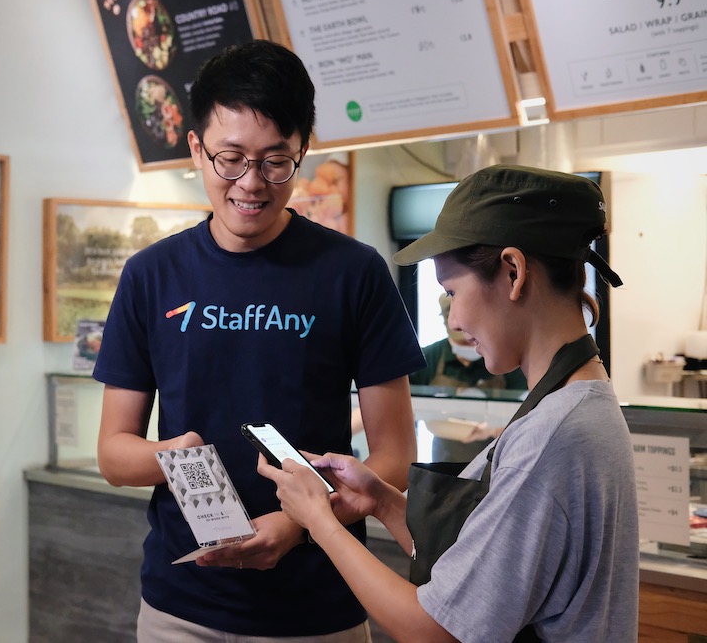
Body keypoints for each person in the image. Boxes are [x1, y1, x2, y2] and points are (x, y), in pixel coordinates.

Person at [93, 39, 426, 641]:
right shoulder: (152, 275)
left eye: (276, 162)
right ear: (196, 148)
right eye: (231, 159)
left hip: (319, 609)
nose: (251, 183)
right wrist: (177, 458)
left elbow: (392, 460)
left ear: (304, 151)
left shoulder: (354, 273)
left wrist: (300, 523)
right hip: (180, 610)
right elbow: (115, 454)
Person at [259, 164, 639, 642]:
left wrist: (317, 519)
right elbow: (486, 569)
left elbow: (437, 629)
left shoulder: (550, 439)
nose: (454, 321)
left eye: (452, 293)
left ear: (513, 271)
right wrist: (381, 501)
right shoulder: (582, 404)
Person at [411, 293, 528, 463]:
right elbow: (399, 403)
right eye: (461, 342)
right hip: (445, 461)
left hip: (496, 458)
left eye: (473, 340)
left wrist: (493, 429)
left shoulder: (503, 358)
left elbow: (526, 414)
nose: (468, 343)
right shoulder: (429, 357)